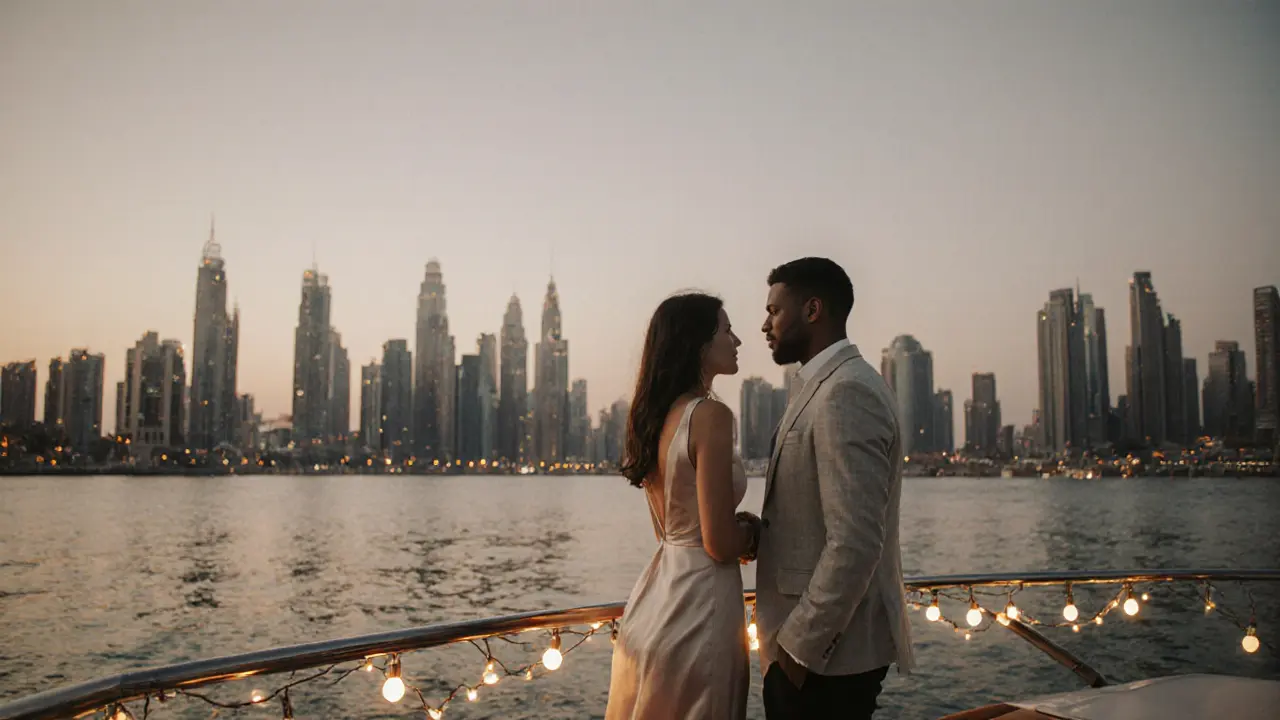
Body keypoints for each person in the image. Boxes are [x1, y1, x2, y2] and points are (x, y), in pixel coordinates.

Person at [755, 257, 915, 719]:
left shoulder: (847, 391)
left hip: (827, 661)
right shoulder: (820, 386)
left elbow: (856, 541)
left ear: (812, 310)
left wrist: (798, 652)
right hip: (814, 655)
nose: (765, 325)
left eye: (774, 311)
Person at [605, 292, 761, 720]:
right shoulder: (710, 415)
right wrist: (754, 532)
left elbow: (670, 530)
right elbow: (719, 544)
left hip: (656, 597)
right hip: (701, 603)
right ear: (698, 343)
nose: (738, 341)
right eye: (726, 331)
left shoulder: (652, 417)